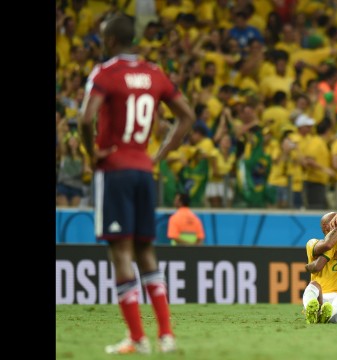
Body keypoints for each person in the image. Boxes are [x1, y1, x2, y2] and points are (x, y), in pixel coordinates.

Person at [78, 15, 195, 355]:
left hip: (113, 170)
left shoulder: (105, 73)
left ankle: (138, 339)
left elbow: (86, 118)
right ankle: (166, 336)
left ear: (111, 40)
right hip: (144, 170)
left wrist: (92, 152)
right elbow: (186, 115)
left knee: (121, 253)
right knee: (146, 251)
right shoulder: (155, 73)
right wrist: (157, 155)